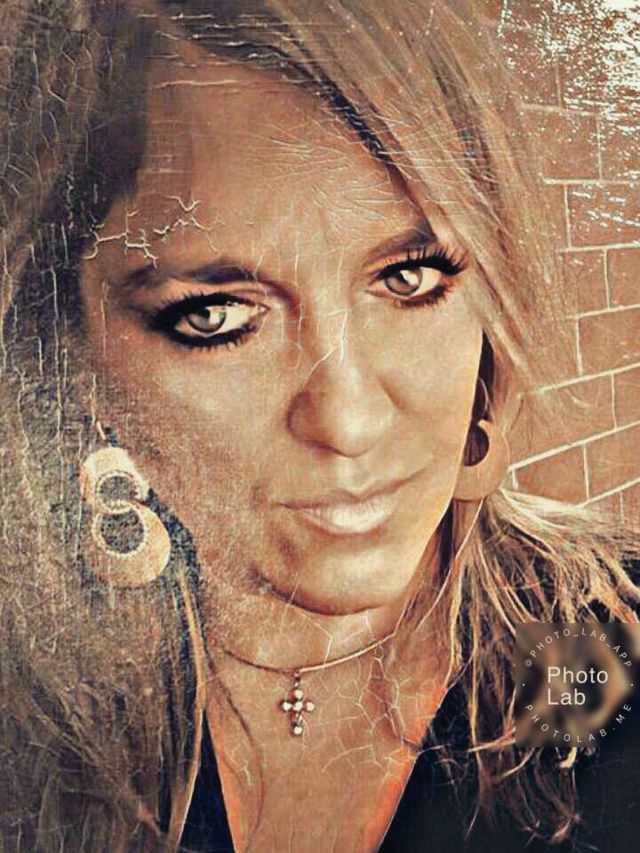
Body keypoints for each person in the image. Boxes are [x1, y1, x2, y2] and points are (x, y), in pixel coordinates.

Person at [1, 1, 638, 851]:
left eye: (409, 277)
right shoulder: (28, 713)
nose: (348, 420)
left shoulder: (612, 651)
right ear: (69, 351)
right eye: (216, 316)